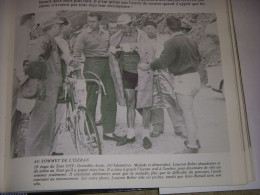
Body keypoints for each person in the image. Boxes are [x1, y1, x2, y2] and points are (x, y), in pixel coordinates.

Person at [141, 16, 201, 153]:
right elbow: (199, 58)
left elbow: (162, 62)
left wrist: (149, 66)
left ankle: (192, 146)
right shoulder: (190, 40)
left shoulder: (171, 42)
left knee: (187, 114)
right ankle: (193, 139)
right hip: (195, 77)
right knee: (190, 112)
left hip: (182, 79)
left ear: (167, 27)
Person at [72, 12, 121, 142]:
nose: (91, 24)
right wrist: (75, 69)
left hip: (106, 65)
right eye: (89, 21)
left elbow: (112, 47)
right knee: (92, 100)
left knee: (110, 98)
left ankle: (109, 132)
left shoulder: (106, 33)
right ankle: (90, 133)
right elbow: (76, 54)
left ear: (99, 21)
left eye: (93, 21)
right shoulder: (83, 35)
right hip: (91, 65)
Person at [110, 14, 153, 149]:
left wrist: (136, 47)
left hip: (142, 73)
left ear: (131, 24)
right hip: (127, 72)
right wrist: (116, 51)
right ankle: (130, 135)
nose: (122, 30)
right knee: (130, 103)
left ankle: (146, 135)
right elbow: (114, 53)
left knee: (145, 104)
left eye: (124, 27)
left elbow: (149, 53)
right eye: (120, 27)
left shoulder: (141, 35)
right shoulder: (117, 36)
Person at [24, 17, 65, 156]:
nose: (61, 28)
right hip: (45, 90)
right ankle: (34, 158)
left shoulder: (49, 40)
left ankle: (43, 156)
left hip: (50, 89)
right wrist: (40, 80)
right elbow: (32, 60)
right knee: (40, 127)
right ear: (54, 26)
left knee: (46, 125)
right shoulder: (45, 39)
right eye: (59, 26)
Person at [143, 21, 187, 138]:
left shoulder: (166, 40)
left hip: (164, 73)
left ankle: (179, 128)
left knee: (171, 99)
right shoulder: (142, 40)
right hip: (149, 75)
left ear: (156, 29)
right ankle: (158, 127)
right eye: (147, 28)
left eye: (151, 28)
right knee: (154, 102)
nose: (149, 30)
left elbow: (170, 56)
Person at [11, 13, 36, 157]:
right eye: (34, 18)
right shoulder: (22, 33)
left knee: (16, 114)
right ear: (30, 19)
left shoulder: (21, 32)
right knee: (13, 114)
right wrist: (23, 78)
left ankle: (13, 149)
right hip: (17, 76)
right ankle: (10, 151)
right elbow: (19, 57)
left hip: (17, 75)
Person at [52, 17, 72, 155]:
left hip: (52, 82)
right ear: (63, 26)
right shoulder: (61, 41)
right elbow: (67, 61)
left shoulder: (52, 40)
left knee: (54, 115)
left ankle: (51, 148)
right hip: (59, 83)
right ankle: (50, 149)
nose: (71, 29)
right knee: (57, 115)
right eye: (69, 26)